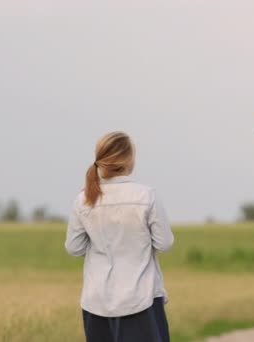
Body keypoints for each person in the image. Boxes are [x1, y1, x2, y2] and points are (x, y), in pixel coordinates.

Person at [65, 131, 174, 342]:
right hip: (141, 299)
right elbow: (165, 243)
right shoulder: (146, 195)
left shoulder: (84, 199)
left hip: (96, 302)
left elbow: (74, 247)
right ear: (128, 160)